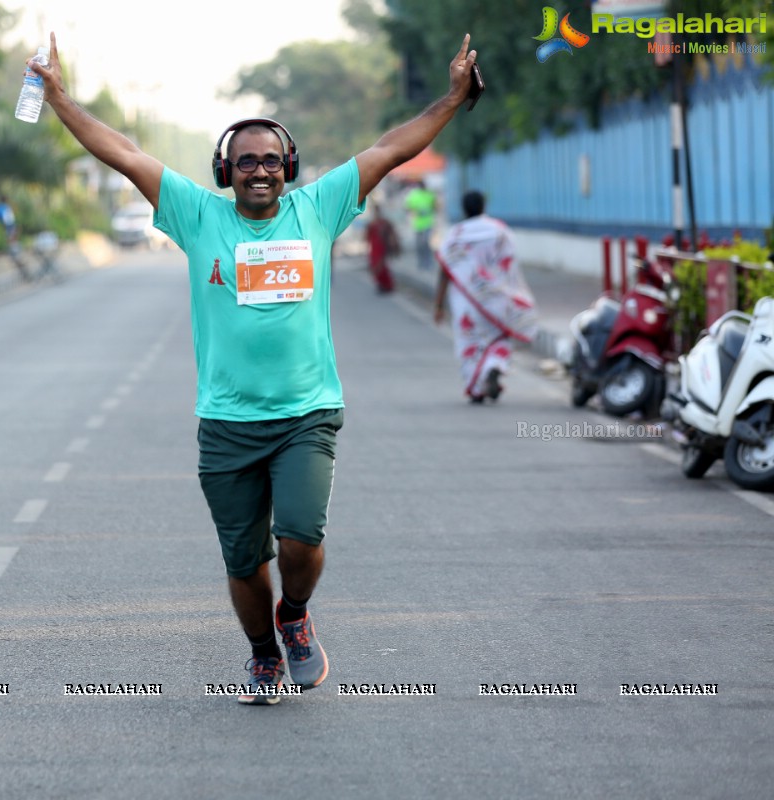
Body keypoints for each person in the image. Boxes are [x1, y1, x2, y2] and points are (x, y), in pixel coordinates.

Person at [31, 31, 479, 704]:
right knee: (244, 563)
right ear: (225, 171)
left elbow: (392, 148)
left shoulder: (319, 207)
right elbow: (121, 151)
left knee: (300, 541)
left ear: (289, 166)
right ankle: (263, 652)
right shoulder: (195, 214)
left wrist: (450, 99)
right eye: (246, 162)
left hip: (306, 414)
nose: (260, 171)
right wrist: (59, 97)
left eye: (272, 160)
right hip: (227, 423)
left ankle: (294, 616)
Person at [433, 190, 538, 403]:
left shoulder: (455, 234)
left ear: (463, 208)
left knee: (469, 341)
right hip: (496, 298)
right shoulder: (500, 231)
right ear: (484, 206)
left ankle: (477, 388)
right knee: (498, 336)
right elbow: (510, 268)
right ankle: (494, 366)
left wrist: (438, 305)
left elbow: (445, 270)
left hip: (464, 299)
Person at [365, 203, 400, 294]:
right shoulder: (371, 224)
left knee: (382, 267)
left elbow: (392, 234)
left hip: (382, 248)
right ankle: (380, 284)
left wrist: (393, 245)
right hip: (374, 248)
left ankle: (388, 285)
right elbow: (366, 237)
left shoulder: (385, 223)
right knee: (375, 266)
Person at [403, 181, 437, 270]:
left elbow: (435, 206)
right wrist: (415, 212)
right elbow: (408, 207)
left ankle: (428, 262)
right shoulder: (414, 196)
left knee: (425, 243)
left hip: (427, 223)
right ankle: (421, 262)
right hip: (418, 224)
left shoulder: (429, 194)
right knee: (419, 245)